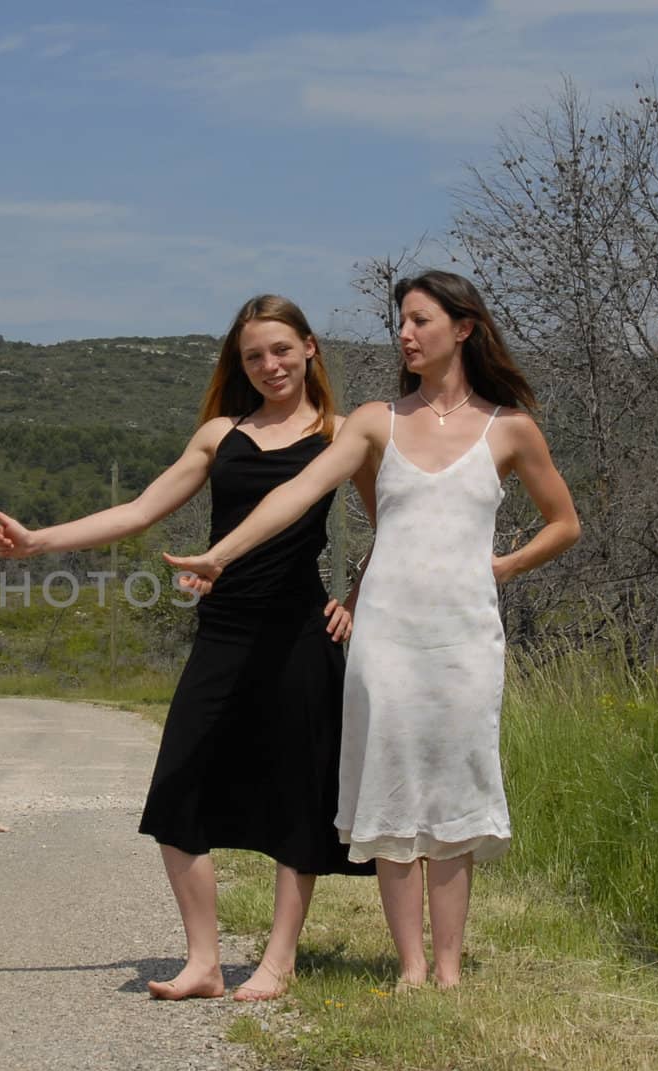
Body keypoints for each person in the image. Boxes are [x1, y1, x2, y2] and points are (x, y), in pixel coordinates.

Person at [165, 271, 580, 989]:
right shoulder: (372, 421)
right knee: (389, 789)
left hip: (465, 637)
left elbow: (565, 523)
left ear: (463, 328)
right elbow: (297, 494)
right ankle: (410, 968)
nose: (405, 334)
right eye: (402, 323)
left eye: (420, 320)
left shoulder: (510, 428)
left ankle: (448, 969)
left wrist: (506, 567)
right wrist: (220, 556)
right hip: (384, 633)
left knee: (454, 793)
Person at [0, 294, 375, 1003]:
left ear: (310, 348)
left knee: (298, 795)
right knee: (179, 787)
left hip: (298, 632)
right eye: (254, 355)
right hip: (222, 631)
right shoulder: (218, 435)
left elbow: (394, 525)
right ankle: (202, 961)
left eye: (281, 350)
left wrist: (356, 600)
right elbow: (139, 510)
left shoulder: (344, 433)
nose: (269, 365)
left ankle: (278, 963)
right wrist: (39, 541)